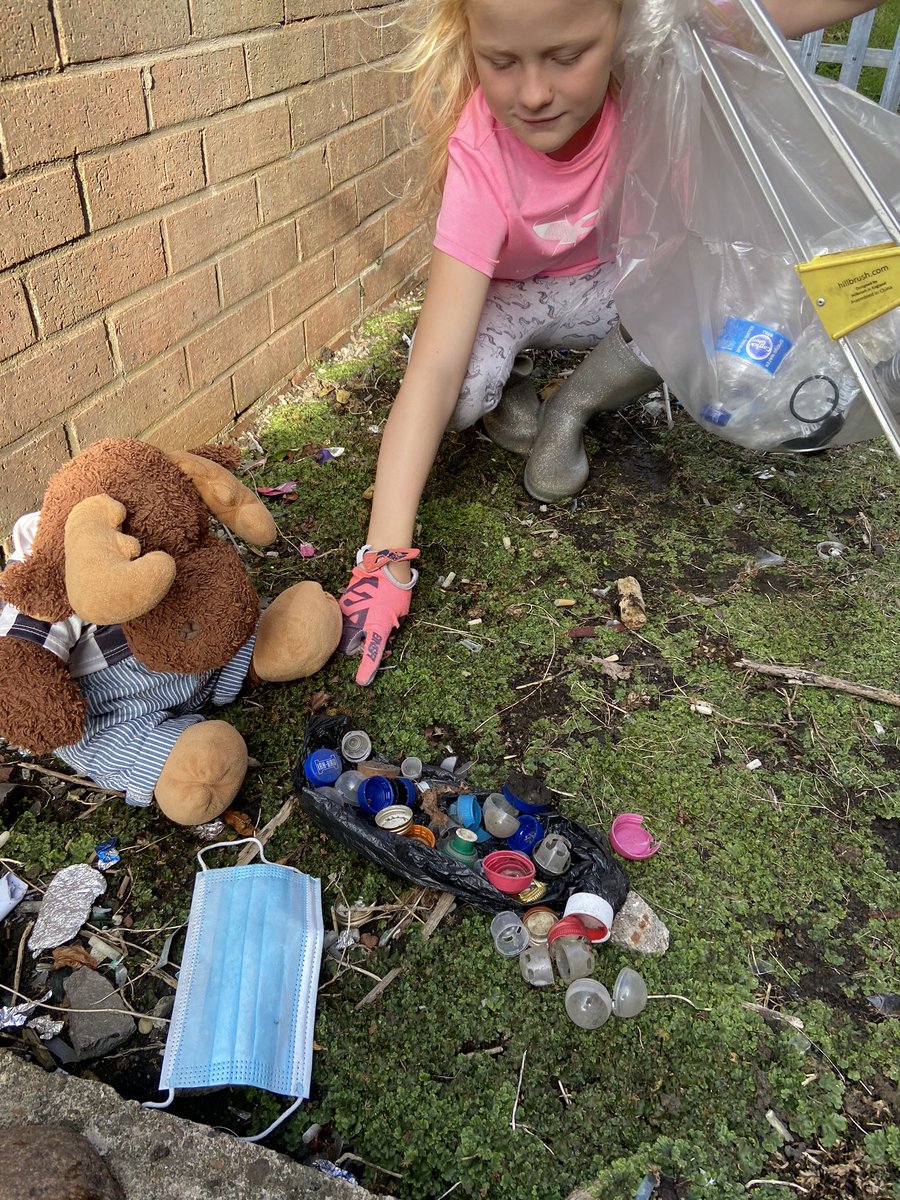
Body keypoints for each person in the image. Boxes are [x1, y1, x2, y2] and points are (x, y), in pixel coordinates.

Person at [339, 0, 886, 686]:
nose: (533, 93)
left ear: (625, 25)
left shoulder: (653, 62)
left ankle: (570, 410)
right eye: (501, 62)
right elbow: (437, 360)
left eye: (567, 57)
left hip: (616, 286)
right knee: (462, 387)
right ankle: (508, 389)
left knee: (699, 321)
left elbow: (777, 9)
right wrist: (384, 554)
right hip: (509, 301)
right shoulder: (483, 149)